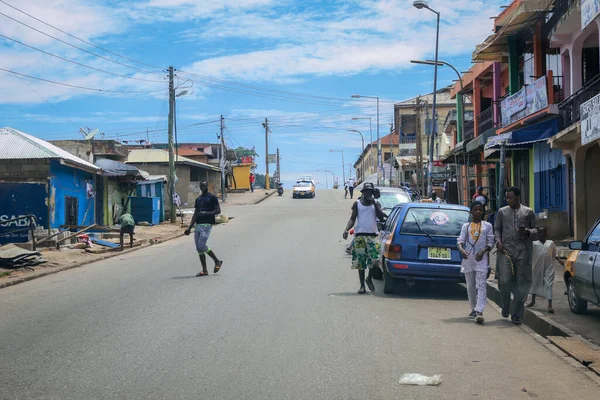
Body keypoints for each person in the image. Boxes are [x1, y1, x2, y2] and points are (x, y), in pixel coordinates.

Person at [494, 186, 538, 325]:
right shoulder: (502, 212)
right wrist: (498, 241)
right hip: (506, 251)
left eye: (510, 197)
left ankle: (517, 313)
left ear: (517, 197)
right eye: (506, 198)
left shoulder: (528, 212)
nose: (508, 200)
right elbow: (497, 229)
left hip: (523, 251)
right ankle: (505, 304)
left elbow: (536, 230)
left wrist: (528, 232)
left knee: (522, 283)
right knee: (505, 280)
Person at [342, 183, 387, 294]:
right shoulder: (357, 204)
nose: (368, 193)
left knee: (375, 260)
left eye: (370, 191)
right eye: (366, 191)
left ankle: (369, 278)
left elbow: (381, 217)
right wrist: (346, 230)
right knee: (360, 262)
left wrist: (374, 204)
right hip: (360, 236)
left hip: (372, 236)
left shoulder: (376, 203)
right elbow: (352, 219)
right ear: (363, 192)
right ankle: (362, 285)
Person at [457, 202, 494, 324]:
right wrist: (462, 250)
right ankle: (473, 308)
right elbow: (460, 241)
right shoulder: (466, 226)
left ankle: (480, 311)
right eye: (475, 210)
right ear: (471, 212)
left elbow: (490, 242)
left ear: (483, 211)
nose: (478, 212)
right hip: (468, 259)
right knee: (470, 286)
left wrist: (483, 251)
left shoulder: (487, 226)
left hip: (481, 259)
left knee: (481, 285)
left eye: (480, 210)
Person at [184, 181, 224, 277]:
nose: (203, 187)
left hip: (207, 224)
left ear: (207, 186)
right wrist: (189, 227)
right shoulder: (198, 199)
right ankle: (204, 270)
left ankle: (217, 261)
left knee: (202, 245)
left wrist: (206, 213)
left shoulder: (212, 197)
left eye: (204, 185)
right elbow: (196, 214)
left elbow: (218, 210)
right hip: (198, 225)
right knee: (199, 248)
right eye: (201, 186)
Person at [527, 227, 562, 313]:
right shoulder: (534, 244)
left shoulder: (551, 243)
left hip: (548, 268)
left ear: (546, 234)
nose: (541, 235)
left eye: (543, 233)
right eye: (540, 233)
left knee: (548, 284)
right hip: (536, 267)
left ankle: (549, 305)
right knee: (535, 283)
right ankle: (533, 301)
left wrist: (559, 259)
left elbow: (555, 254)